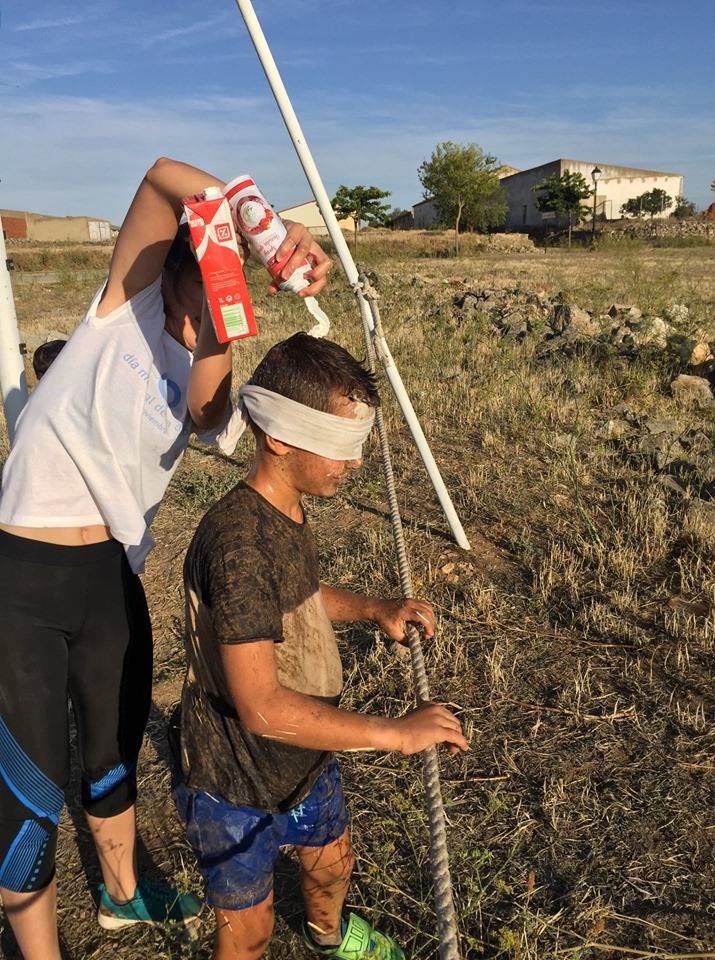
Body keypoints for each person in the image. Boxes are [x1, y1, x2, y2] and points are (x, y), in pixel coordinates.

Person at [0, 158, 332, 960]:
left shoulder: (202, 347)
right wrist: (256, 220)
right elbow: (161, 180)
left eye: (228, 308)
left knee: (110, 759)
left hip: (111, 579)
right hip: (22, 580)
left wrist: (222, 319)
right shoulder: (122, 307)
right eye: (205, 299)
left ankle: (121, 896)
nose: (208, 323)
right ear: (179, 272)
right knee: (30, 803)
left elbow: (211, 408)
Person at [171, 332, 469, 960]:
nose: (354, 464)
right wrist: (397, 733)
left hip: (303, 759)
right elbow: (263, 709)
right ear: (279, 437)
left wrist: (373, 609)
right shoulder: (239, 547)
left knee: (332, 864)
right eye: (340, 447)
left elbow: (299, 593)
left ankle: (328, 936)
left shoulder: (284, 506)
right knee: (247, 935)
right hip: (234, 777)